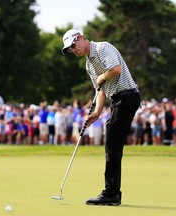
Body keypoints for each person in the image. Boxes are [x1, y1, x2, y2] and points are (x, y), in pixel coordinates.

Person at [62, 29, 141, 206]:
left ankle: (111, 193)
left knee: (112, 139)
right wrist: (97, 112)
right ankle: (112, 192)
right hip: (118, 99)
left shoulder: (102, 48)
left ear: (81, 38)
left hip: (128, 96)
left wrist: (103, 76)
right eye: (70, 49)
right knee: (112, 140)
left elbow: (116, 69)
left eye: (74, 45)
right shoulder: (89, 65)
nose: (74, 50)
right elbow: (101, 91)